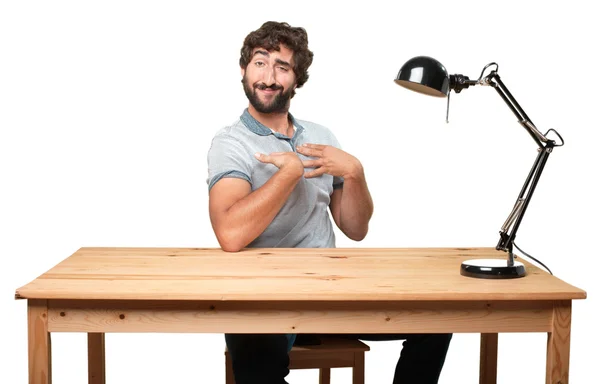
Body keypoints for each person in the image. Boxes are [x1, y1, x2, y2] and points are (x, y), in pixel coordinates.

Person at [206, 21, 452, 384]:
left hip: (331, 292)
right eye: (260, 63)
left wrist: (355, 173)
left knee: (440, 319)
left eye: (283, 67)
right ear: (244, 70)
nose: (269, 77)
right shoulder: (230, 143)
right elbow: (229, 234)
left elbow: (354, 228)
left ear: (297, 78)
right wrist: (288, 174)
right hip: (264, 296)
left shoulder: (321, 137)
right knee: (256, 357)